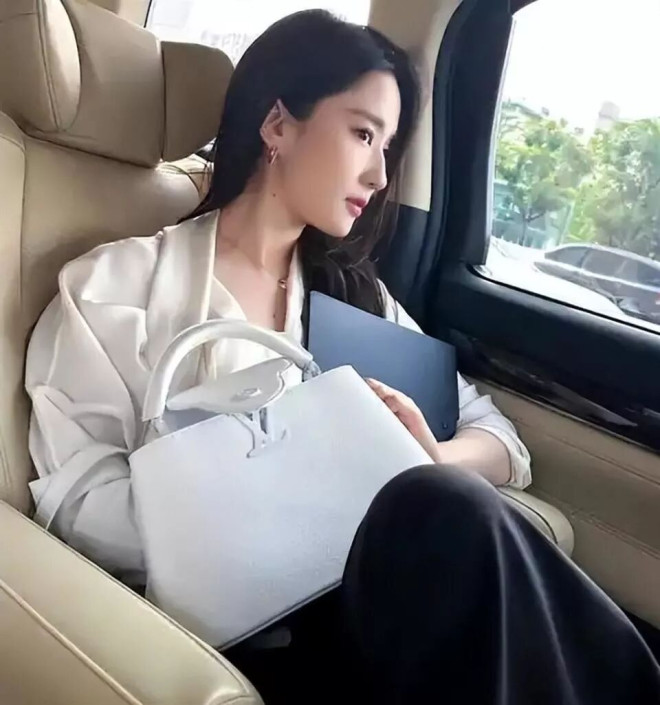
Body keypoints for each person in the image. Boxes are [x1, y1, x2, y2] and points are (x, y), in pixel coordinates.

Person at [25, 9, 660, 705]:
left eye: (387, 145)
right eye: (363, 133)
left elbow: (501, 440)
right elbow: (78, 506)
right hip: (260, 630)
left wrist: (428, 454)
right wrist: (284, 492)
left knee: (443, 500)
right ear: (277, 125)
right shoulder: (115, 287)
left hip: (377, 600)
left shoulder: (358, 299)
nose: (381, 174)